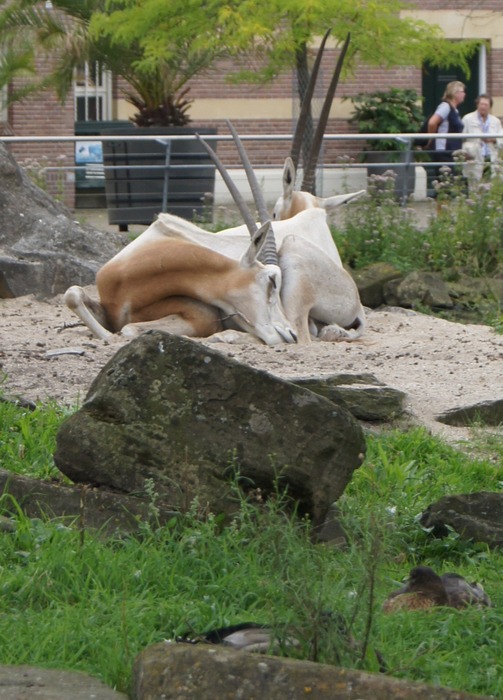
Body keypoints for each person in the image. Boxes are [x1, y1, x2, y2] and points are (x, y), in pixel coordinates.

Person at [425, 80, 466, 200]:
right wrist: (430, 139)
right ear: (455, 93)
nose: (464, 95)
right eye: (462, 92)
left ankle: (443, 213)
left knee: (448, 184)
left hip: (451, 152)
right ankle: (441, 213)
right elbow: (433, 122)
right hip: (444, 151)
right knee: (444, 184)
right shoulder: (445, 107)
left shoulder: (455, 110)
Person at [462, 94, 503, 188]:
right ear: (477, 105)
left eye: (486, 105)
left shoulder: (495, 121)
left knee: (490, 186)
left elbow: (501, 140)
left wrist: (493, 140)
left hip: (490, 157)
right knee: (474, 187)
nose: (483, 107)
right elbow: (461, 139)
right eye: (481, 104)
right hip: (474, 157)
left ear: (490, 107)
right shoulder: (467, 119)